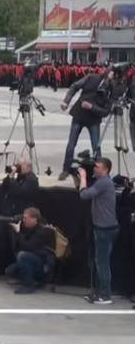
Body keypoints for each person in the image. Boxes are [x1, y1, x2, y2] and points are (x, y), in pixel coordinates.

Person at [58, 69, 113, 181]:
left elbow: (106, 112)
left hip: (93, 119)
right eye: (110, 74)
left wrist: (92, 107)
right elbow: (75, 86)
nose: (110, 79)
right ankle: (66, 169)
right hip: (79, 114)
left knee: (96, 147)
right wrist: (66, 101)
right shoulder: (91, 77)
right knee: (71, 144)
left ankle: (100, 173)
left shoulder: (112, 88)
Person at [79, 158, 118, 304]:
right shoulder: (101, 181)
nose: (94, 169)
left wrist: (83, 177)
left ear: (105, 170)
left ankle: (105, 295)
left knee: (102, 263)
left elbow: (84, 195)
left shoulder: (104, 183)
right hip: (102, 227)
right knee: (99, 261)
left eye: (97, 167)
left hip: (105, 229)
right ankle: (99, 292)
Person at [5, 207, 55, 294]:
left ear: (34, 219)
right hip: (32, 261)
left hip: (43, 265)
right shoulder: (29, 229)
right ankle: (32, 280)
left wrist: (18, 232)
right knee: (10, 270)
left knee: (23, 255)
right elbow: (17, 247)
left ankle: (28, 285)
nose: (23, 220)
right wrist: (15, 233)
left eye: (25, 218)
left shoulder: (44, 230)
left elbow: (28, 246)